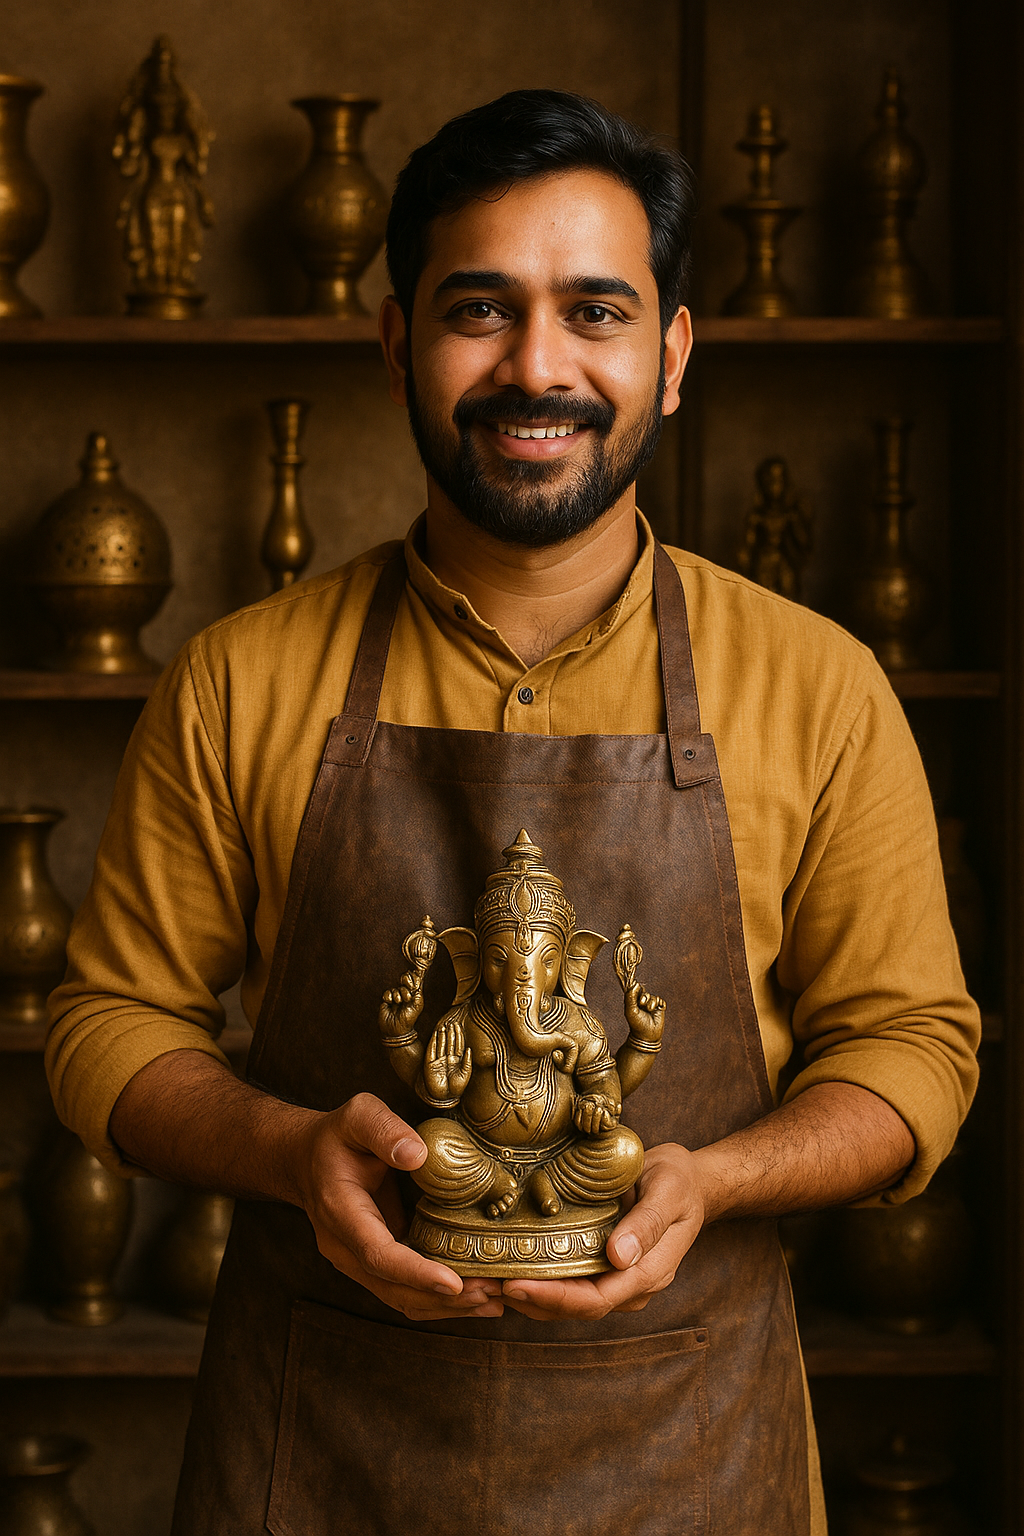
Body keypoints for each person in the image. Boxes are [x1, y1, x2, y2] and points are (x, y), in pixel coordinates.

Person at [46, 90, 979, 1536]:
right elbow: (109, 1026)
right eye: (480, 309)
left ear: (672, 356)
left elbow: (917, 1050)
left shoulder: (819, 684)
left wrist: (716, 1181)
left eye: (596, 312)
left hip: (692, 1441)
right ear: (395, 339)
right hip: (324, 1439)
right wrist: (290, 1154)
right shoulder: (240, 676)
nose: (536, 365)